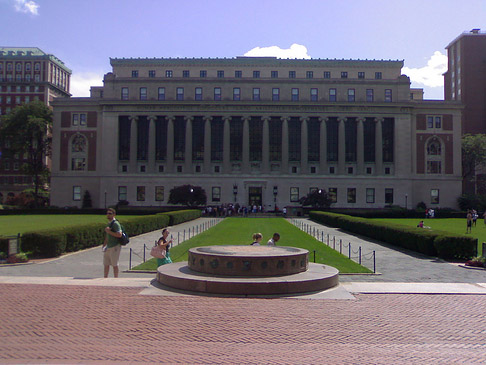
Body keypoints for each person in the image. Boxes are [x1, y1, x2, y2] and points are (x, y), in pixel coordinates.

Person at [102, 208, 122, 278]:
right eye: (107, 213)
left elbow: (119, 234)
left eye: (110, 213)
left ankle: (116, 279)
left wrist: (109, 232)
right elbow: (107, 236)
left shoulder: (116, 224)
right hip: (108, 246)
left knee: (114, 264)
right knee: (106, 264)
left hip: (115, 246)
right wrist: (104, 245)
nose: (108, 215)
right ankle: (105, 278)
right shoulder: (109, 224)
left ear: (114, 214)